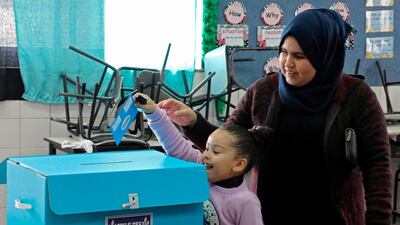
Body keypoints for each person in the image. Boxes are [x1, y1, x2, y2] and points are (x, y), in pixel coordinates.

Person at [157, 8, 392, 225]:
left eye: (299, 56)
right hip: (270, 214)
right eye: (283, 52)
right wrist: (193, 122)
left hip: (334, 216)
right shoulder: (263, 91)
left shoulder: (356, 96)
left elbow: (377, 166)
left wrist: (378, 221)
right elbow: (228, 144)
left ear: (324, 56)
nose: (287, 63)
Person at [134, 93, 271, 225]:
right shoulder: (201, 167)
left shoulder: (246, 202)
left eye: (216, 151)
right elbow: (176, 145)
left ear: (239, 164)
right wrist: (154, 112)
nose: (205, 155)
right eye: (206, 148)